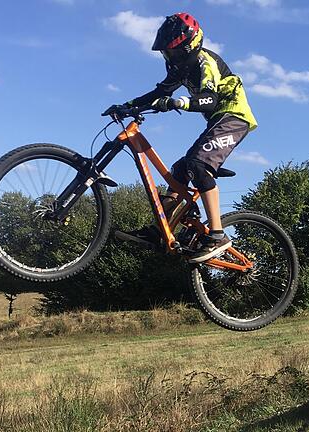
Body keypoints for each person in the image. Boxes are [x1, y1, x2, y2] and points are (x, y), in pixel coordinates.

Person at [107, 12, 257, 263]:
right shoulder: (180, 66)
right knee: (181, 169)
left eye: (173, 52)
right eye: (166, 53)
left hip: (234, 117)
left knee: (198, 165)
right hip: (218, 120)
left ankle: (218, 235)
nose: (169, 57)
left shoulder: (204, 62)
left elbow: (211, 99)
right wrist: (127, 105)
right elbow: (160, 92)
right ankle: (160, 231)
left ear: (190, 46)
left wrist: (179, 101)